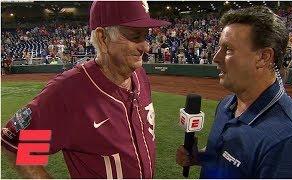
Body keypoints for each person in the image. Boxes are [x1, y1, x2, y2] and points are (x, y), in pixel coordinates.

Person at [1, 1, 170, 179]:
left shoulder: (140, 75)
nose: (146, 47)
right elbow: (18, 145)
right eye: (135, 36)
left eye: (146, 36)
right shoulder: (69, 92)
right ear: (103, 38)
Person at [176, 6, 292, 178]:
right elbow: (229, 158)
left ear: (264, 57)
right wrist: (199, 157)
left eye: (228, 49)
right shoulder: (227, 105)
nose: (216, 58)